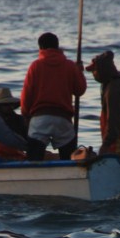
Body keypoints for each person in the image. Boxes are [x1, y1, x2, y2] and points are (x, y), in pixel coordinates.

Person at [19, 32, 86, 160]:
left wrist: (26, 115)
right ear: (57, 46)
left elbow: (27, 95)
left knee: (33, 159)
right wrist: (79, 72)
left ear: (41, 48)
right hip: (63, 119)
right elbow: (80, 90)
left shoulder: (35, 66)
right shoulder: (70, 65)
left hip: (40, 118)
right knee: (69, 158)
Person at [0, 87, 27, 160]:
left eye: (11, 104)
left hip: (17, 155)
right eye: (5, 105)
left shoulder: (20, 120)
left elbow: (26, 141)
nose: (10, 107)